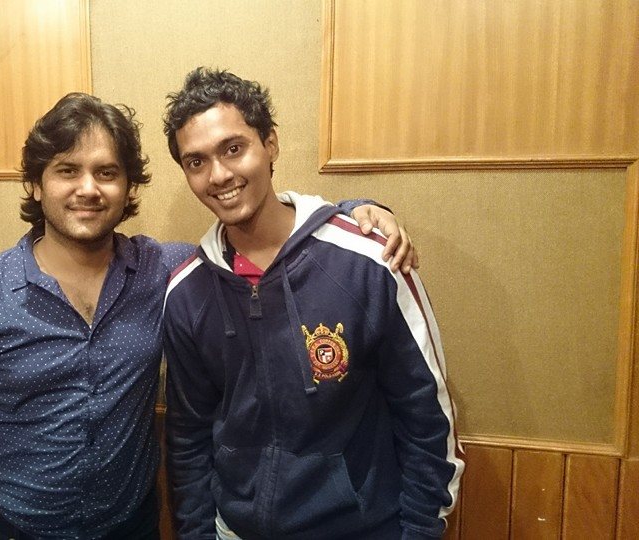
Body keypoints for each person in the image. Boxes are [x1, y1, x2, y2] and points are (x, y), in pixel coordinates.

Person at [0, 92, 417, 539]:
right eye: (67, 171)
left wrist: (360, 210)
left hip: (130, 525)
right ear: (36, 184)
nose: (88, 188)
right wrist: (9, 485)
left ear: (128, 187)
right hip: (12, 528)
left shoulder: (165, 271)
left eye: (107, 173)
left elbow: (264, 238)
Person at [162, 68, 463, 539]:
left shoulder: (370, 261)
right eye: (196, 162)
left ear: (271, 144)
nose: (218, 175)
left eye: (234, 149)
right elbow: (188, 438)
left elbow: (425, 416)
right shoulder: (186, 292)